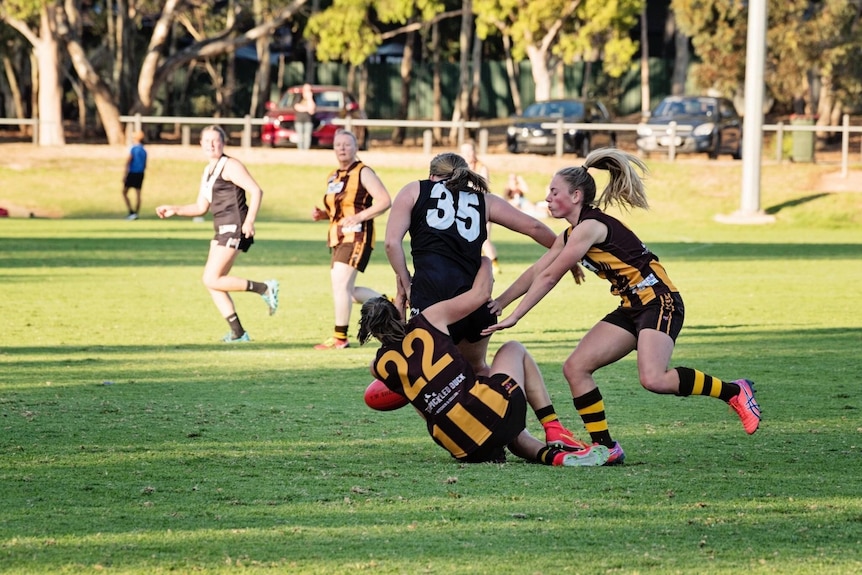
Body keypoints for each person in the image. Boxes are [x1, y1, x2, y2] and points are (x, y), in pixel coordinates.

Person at [483, 148, 762, 465]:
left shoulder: (590, 227)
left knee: (654, 379)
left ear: (575, 196)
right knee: (576, 368)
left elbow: (549, 277)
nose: (547, 198)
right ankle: (606, 446)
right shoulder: (573, 232)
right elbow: (536, 271)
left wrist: (516, 316)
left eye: (553, 191)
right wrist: (498, 304)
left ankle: (735, 391)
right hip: (632, 307)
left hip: (659, 301)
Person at [359, 257, 609, 467]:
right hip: (491, 413)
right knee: (513, 349)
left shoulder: (379, 367)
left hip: (462, 448)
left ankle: (554, 456)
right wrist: (485, 260)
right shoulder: (429, 319)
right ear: (397, 307)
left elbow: (420, 401)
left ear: (370, 332)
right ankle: (553, 427)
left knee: (508, 433)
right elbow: (480, 294)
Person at [385, 151, 573, 393]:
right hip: (474, 302)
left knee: (428, 379)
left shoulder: (414, 190)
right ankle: (508, 419)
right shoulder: (485, 200)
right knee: (477, 369)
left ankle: (463, 428)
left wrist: (407, 283)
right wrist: (569, 254)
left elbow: (392, 243)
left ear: (432, 175)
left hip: (432, 299)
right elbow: (534, 227)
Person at [155, 125, 279, 343]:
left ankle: (265, 288)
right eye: (207, 141)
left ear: (223, 143)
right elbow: (201, 207)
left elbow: (256, 190)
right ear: (200, 144)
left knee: (212, 278)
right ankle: (238, 333)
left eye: (216, 141)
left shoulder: (230, 165)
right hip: (221, 228)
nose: (211, 145)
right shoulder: (208, 170)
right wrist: (175, 209)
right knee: (212, 281)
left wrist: (249, 220)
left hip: (235, 226)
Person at [311, 129, 391, 349]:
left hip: (357, 235)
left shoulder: (363, 171)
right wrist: (323, 215)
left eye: (347, 144)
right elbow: (338, 209)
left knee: (341, 287)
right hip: (337, 237)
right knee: (346, 290)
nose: (342, 148)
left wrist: (359, 216)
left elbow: (384, 201)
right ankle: (389, 304)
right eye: (338, 145)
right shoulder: (333, 176)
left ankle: (340, 338)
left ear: (356, 147)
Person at [459, 140, 500, 274]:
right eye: (464, 152)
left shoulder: (481, 168)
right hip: (465, 208)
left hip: (481, 206)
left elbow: (483, 188)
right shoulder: (459, 169)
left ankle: (494, 264)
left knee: (485, 237)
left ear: (474, 152)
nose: (467, 154)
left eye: (469, 151)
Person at [122, 130, 147, 220]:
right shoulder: (144, 150)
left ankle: (131, 212)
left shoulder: (133, 149)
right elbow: (145, 164)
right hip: (140, 173)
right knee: (138, 194)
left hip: (132, 172)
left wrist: (125, 175)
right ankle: (136, 213)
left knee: (124, 192)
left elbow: (128, 161)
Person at [294, 83, 317, 151]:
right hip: (299, 120)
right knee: (300, 136)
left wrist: (310, 98)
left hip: (308, 120)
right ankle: (300, 150)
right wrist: (307, 108)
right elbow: (297, 107)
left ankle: (306, 150)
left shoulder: (312, 98)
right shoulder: (299, 97)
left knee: (307, 136)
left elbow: (312, 110)